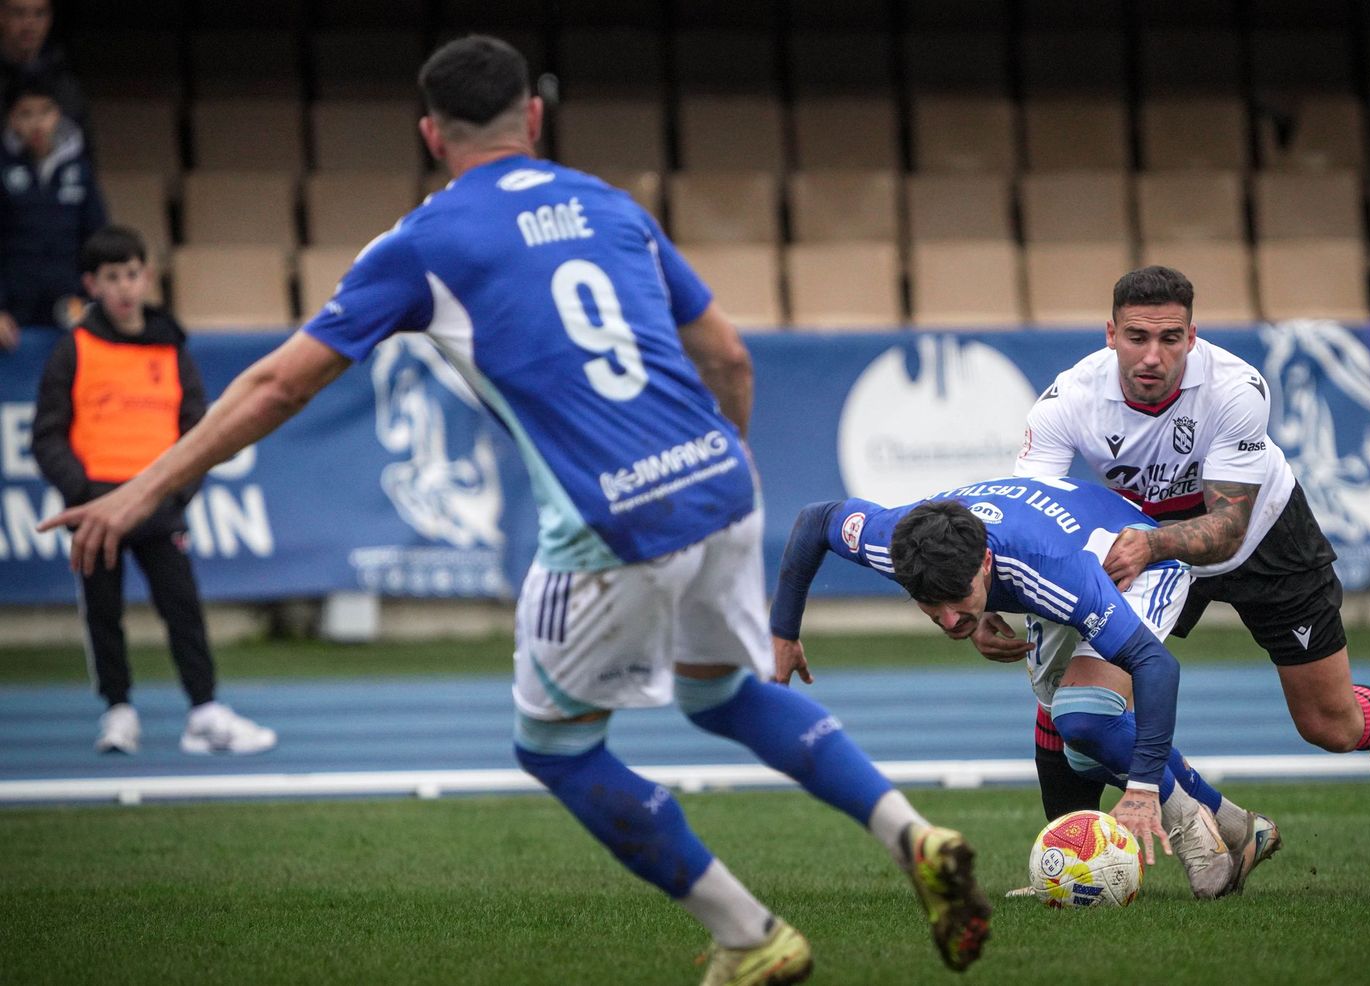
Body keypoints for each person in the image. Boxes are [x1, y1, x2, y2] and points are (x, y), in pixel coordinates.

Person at [40, 36, 990, 984]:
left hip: (613, 522)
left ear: (429, 134)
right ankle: (911, 833)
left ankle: (749, 936)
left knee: (558, 750)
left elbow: (278, 385)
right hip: (722, 482)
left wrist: (140, 490)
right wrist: (723, 462)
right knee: (720, 694)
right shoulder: (611, 205)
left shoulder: (420, 243)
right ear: (533, 117)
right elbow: (729, 356)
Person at [1001, 264, 1370, 822]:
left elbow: (1227, 528)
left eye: (1170, 339)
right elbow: (1028, 515)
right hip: (1149, 548)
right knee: (1076, 703)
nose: (1152, 356)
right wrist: (989, 599)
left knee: (1329, 725)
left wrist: (1150, 545)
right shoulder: (1067, 400)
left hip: (1261, 540)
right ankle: (1069, 848)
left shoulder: (1235, 388)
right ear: (1111, 335)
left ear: (1192, 337)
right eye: (1137, 337)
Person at [770, 476, 1277, 899]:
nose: (948, 619)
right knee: (1075, 741)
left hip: (1130, 563)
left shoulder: (1050, 571)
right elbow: (816, 519)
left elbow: (1156, 667)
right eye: (930, 604)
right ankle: (1233, 827)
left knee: (1084, 716)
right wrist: (784, 633)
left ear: (985, 565)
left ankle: (1192, 826)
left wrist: (1144, 790)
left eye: (958, 599)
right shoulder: (893, 541)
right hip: (1050, 556)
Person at [31, 225, 277, 755]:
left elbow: (200, 430)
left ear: (146, 276)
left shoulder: (171, 348)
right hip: (98, 509)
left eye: (131, 274)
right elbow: (47, 435)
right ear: (91, 285)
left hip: (160, 505)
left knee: (182, 607)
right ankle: (118, 710)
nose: (124, 287)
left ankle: (204, 710)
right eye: (111, 277)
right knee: (103, 612)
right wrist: (84, 493)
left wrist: (176, 493)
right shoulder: (74, 349)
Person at [1, 75, 105, 347]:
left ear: (58, 114)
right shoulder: (2, 168)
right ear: (12, 120)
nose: (37, 123)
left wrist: (91, 300)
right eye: (26, 114)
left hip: (70, 305)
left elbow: (96, 239)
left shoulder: (80, 169)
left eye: (45, 111)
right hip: (13, 312)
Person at [0, 0, 86, 126]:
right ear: (2, 16)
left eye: (39, 14)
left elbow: (79, 131)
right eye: (19, 13)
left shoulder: (61, 77)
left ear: (50, 19)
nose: (29, 24)